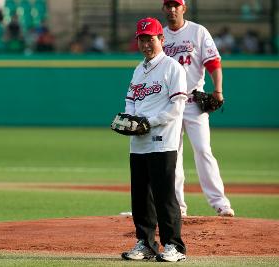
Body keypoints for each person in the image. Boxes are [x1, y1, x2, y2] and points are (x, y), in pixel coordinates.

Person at [120, 17, 187, 262]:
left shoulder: (172, 67)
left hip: (162, 140)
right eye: (142, 39)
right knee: (140, 197)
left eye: (150, 39)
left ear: (161, 39)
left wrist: (148, 121)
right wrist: (129, 119)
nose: (146, 44)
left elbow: (177, 107)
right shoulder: (139, 69)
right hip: (138, 142)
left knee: (164, 196)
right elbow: (131, 100)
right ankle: (146, 243)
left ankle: (175, 247)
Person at [161, 0, 234, 217]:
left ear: (183, 8)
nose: (172, 9)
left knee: (203, 150)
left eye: (176, 5)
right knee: (173, 155)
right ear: (164, 9)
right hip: (169, 103)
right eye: (168, 5)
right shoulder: (160, 35)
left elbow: (213, 62)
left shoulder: (198, 31)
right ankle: (178, 207)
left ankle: (220, 203)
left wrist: (218, 90)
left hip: (194, 102)